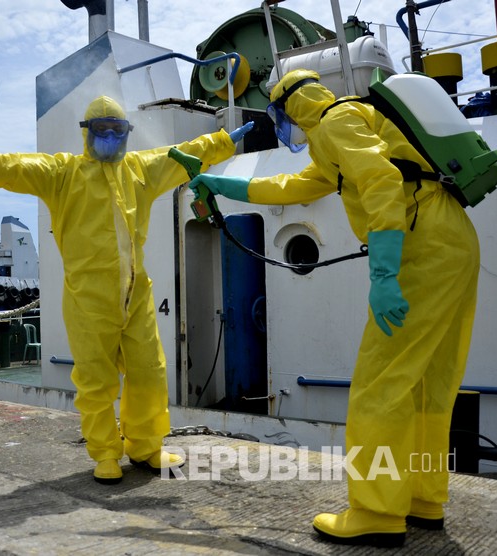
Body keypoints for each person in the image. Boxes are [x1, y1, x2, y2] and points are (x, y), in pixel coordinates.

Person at [188, 69, 479, 547]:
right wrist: (220, 184)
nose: (282, 128)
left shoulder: (335, 122)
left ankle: (376, 511)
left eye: (278, 116)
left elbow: (383, 181)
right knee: (429, 380)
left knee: (380, 384)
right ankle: (423, 499)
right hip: (452, 240)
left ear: (292, 105)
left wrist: (385, 274)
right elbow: (290, 187)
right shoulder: (341, 133)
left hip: (420, 246)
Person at [0, 95, 254, 484]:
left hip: (135, 294)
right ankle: (106, 453)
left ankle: (145, 445)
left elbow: (184, 154)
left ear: (128, 133)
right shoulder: (62, 173)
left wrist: (224, 141)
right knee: (96, 381)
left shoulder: (141, 169)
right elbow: (14, 167)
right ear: (86, 134)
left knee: (150, 372)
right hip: (88, 298)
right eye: (102, 130)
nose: (111, 138)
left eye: (118, 130)